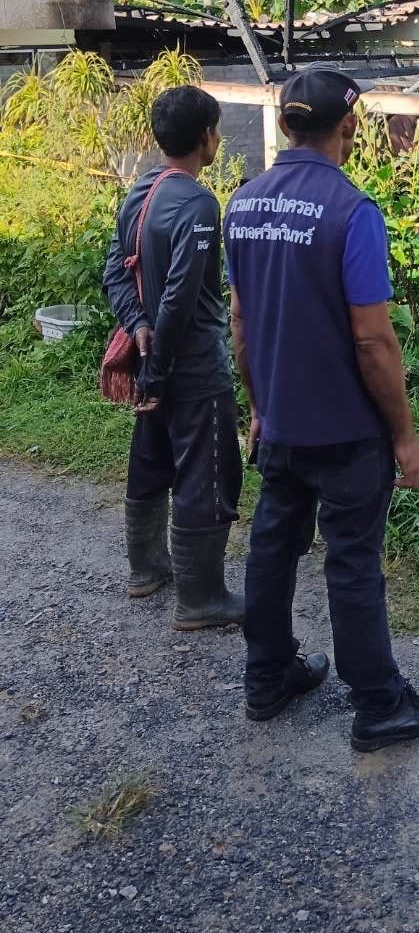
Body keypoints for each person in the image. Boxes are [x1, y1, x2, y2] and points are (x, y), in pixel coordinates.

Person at [224, 65, 419, 748]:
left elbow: (239, 323)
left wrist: (258, 406)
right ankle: (379, 703)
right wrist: (406, 435)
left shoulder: (243, 202)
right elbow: (372, 340)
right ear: (349, 127)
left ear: (285, 123)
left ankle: (266, 676)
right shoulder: (352, 212)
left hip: (281, 421)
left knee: (273, 544)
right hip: (348, 430)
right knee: (353, 561)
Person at [103, 86, 243, 630]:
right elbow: (181, 298)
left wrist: (138, 332)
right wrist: (159, 368)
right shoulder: (199, 203)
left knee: (151, 457)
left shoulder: (139, 191)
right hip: (192, 367)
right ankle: (202, 598)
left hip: (151, 363)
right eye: (217, 128)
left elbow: (115, 271)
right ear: (207, 138)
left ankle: (147, 569)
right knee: (205, 473)